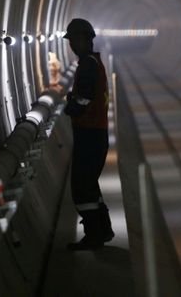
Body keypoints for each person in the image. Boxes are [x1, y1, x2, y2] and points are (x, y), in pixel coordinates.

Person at [62, 18, 114, 250]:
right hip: (95, 133)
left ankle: (94, 235)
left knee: (81, 187)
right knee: (90, 185)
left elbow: (83, 97)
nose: (72, 44)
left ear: (87, 39)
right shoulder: (92, 62)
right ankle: (103, 230)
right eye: (71, 40)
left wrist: (70, 107)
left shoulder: (89, 65)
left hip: (89, 134)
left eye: (75, 39)